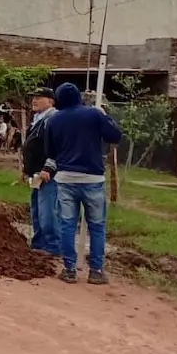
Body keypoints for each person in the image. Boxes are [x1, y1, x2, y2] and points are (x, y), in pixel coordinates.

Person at [38, 82, 122, 284]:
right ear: (78, 97)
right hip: (93, 179)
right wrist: (103, 114)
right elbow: (115, 136)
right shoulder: (93, 115)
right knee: (97, 226)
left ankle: (69, 270)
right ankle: (96, 271)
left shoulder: (53, 120)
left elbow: (50, 152)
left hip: (65, 179)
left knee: (67, 224)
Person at [23, 87, 59, 255]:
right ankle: (38, 244)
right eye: (33, 97)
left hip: (47, 174)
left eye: (39, 97)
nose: (34, 100)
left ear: (50, 101)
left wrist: (48, 168)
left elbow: (57, 148)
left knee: (48, 213)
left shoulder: (53, 119)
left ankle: (52, 247)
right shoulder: (37, 119)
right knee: (36, 210)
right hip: (36, 173)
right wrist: (27, 169)